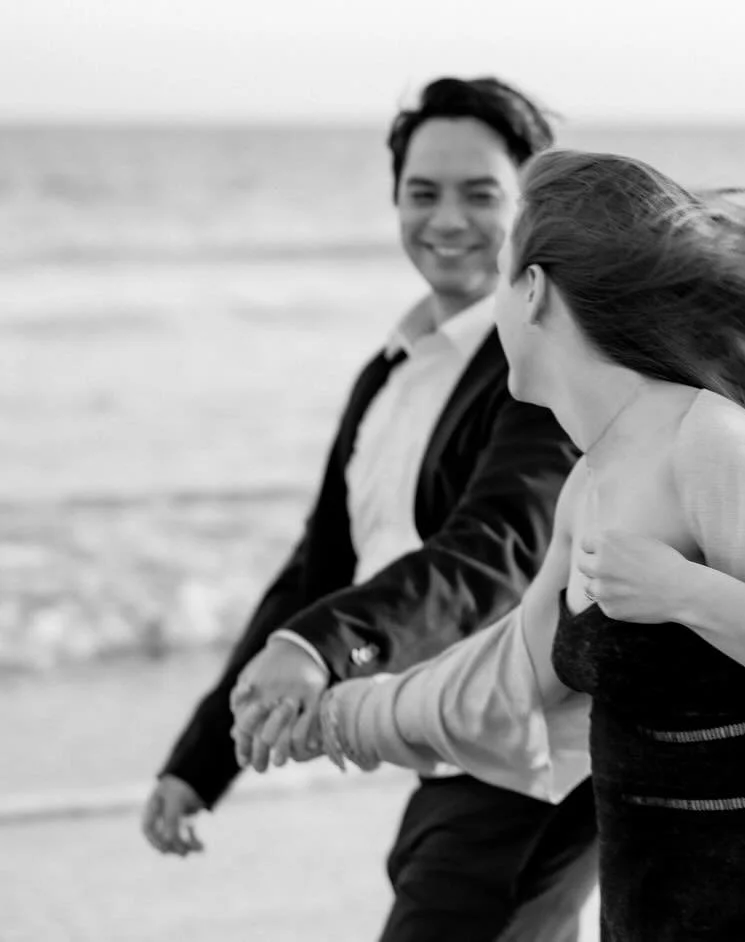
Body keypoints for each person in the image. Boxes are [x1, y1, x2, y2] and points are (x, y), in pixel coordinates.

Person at [243, 148, 745, 940]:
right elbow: (511, 676)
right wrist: (336, 715)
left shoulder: (718, 449)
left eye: (498, 281)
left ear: (533, 291)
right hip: (650, 917)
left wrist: (687, 594)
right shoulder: (592, 483)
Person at [141, 79, 598, 942]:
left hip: (537, 762)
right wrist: (201, 762)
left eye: (480, 194)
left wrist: (325, 646)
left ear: (530, 204)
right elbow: (317, 570)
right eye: (422, 194)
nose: (448, 221)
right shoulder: (388, 371)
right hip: (442, 743)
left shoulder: (542, 365)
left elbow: (494, 551)